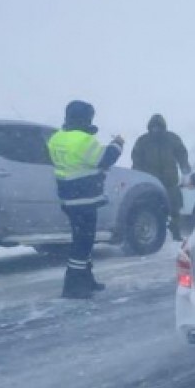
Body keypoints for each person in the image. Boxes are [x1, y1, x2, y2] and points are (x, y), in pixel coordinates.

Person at [48, 101, 124, 299]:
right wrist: (118, 144)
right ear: (85, 118)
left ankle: (86, 279)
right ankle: (73, 285)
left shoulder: (57, 138)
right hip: (84, 199)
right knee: (82, 244)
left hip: (68, 197)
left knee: (82, 240)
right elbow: (105, 158)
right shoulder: (83, 140)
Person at [131, 114, 191, 241]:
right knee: (152, 208)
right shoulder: (143, 141)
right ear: (150, 127)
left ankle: (176, 234)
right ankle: (155, 234)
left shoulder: (172, 138)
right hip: (150, 183)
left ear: (163, 127)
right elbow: (136, 159)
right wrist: (136, 175)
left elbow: (182, 154)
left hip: (170, 182)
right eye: (153, 127)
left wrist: (186, 169)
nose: (156, 129)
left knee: (175, 208)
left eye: (158, 127)